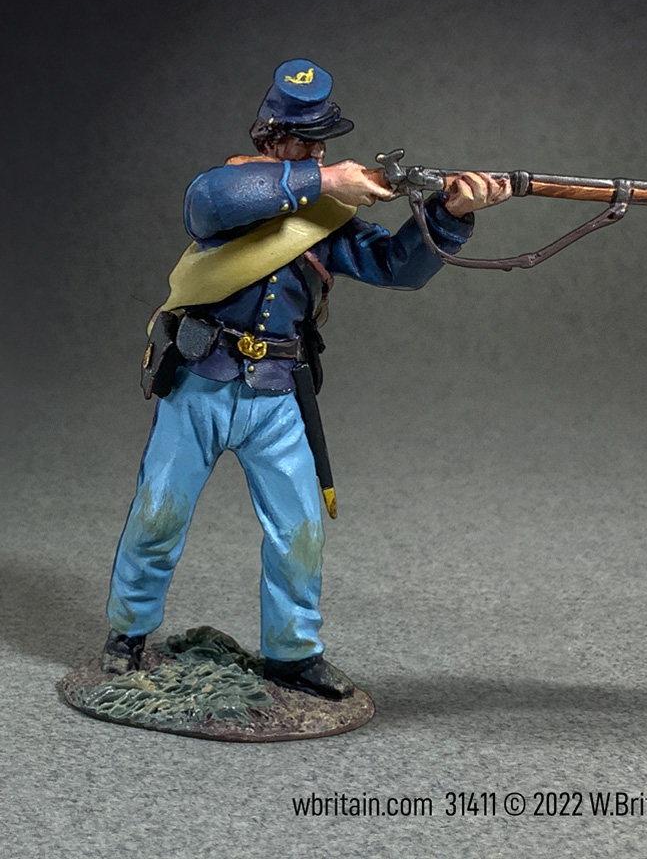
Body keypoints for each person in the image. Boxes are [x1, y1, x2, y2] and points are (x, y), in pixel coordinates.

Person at [101, 59, 509, 698]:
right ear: (271, 138)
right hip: (200, 383)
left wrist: (451, 213)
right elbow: (206, 204)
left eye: (320, 143)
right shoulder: (235, 191)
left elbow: (395, 267)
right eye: (301, 140)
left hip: (274, 391)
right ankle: (127, 634)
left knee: (298, 532)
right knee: (158, 515)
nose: (315, 151)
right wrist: (325, 180)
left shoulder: (325, 215)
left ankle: (291, 654)